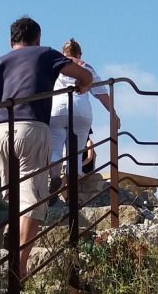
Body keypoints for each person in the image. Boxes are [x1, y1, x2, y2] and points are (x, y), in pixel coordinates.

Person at [0, 17, 92, 278]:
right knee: (34, 201)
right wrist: (82, 87)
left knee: (16, 195)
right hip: (32, 127)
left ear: (10, 40)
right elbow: (84, 74)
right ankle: (19, 267)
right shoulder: (46, 54)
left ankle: (12, 233)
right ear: (38, 38)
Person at [48, 39, 118, 203]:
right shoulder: (85, 66)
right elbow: (101, 93)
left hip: (56, 109)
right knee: (76, 154)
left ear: (63, 53)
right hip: (81, 110)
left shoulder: (56, 65)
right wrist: (113, 114)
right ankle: (72, 193)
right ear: (79, 54)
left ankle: (55, 176)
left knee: (56, 149)